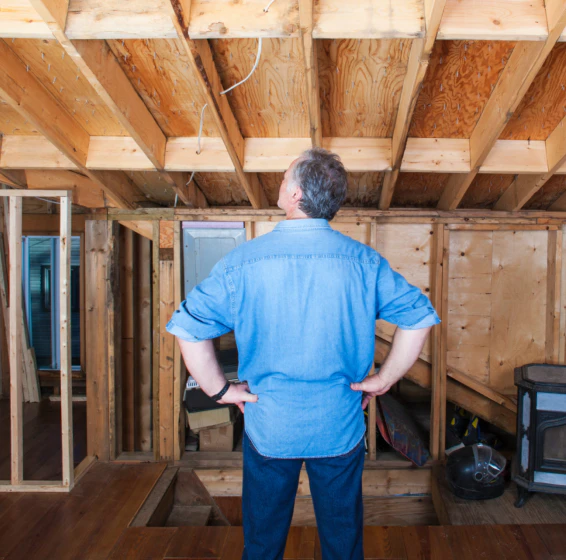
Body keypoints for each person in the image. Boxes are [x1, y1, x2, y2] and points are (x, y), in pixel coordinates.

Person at [166, 148, 440, 560]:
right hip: (340, 426)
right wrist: (384, 380)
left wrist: (221, 392)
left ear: (295, 195)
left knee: (262, 544)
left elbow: (188, 327)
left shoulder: (242, 262)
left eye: (282, 177)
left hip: (270, 427)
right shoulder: (364, 262)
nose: (279, 183)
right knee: (343, 544)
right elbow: (419, 316)